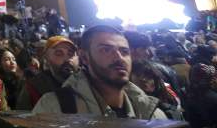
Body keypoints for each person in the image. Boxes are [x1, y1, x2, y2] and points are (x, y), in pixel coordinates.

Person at [33, 25, 167, 119]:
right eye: (105, 50)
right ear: (84, 57)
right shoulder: (53, 108)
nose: (119, 57)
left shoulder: (150, 112)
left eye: (124, 51)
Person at [15, 35, 79, 110]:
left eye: (70, 54)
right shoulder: (33, 88)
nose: (67, 59)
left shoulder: (89, 83)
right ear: (47, 58)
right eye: (59, 54)